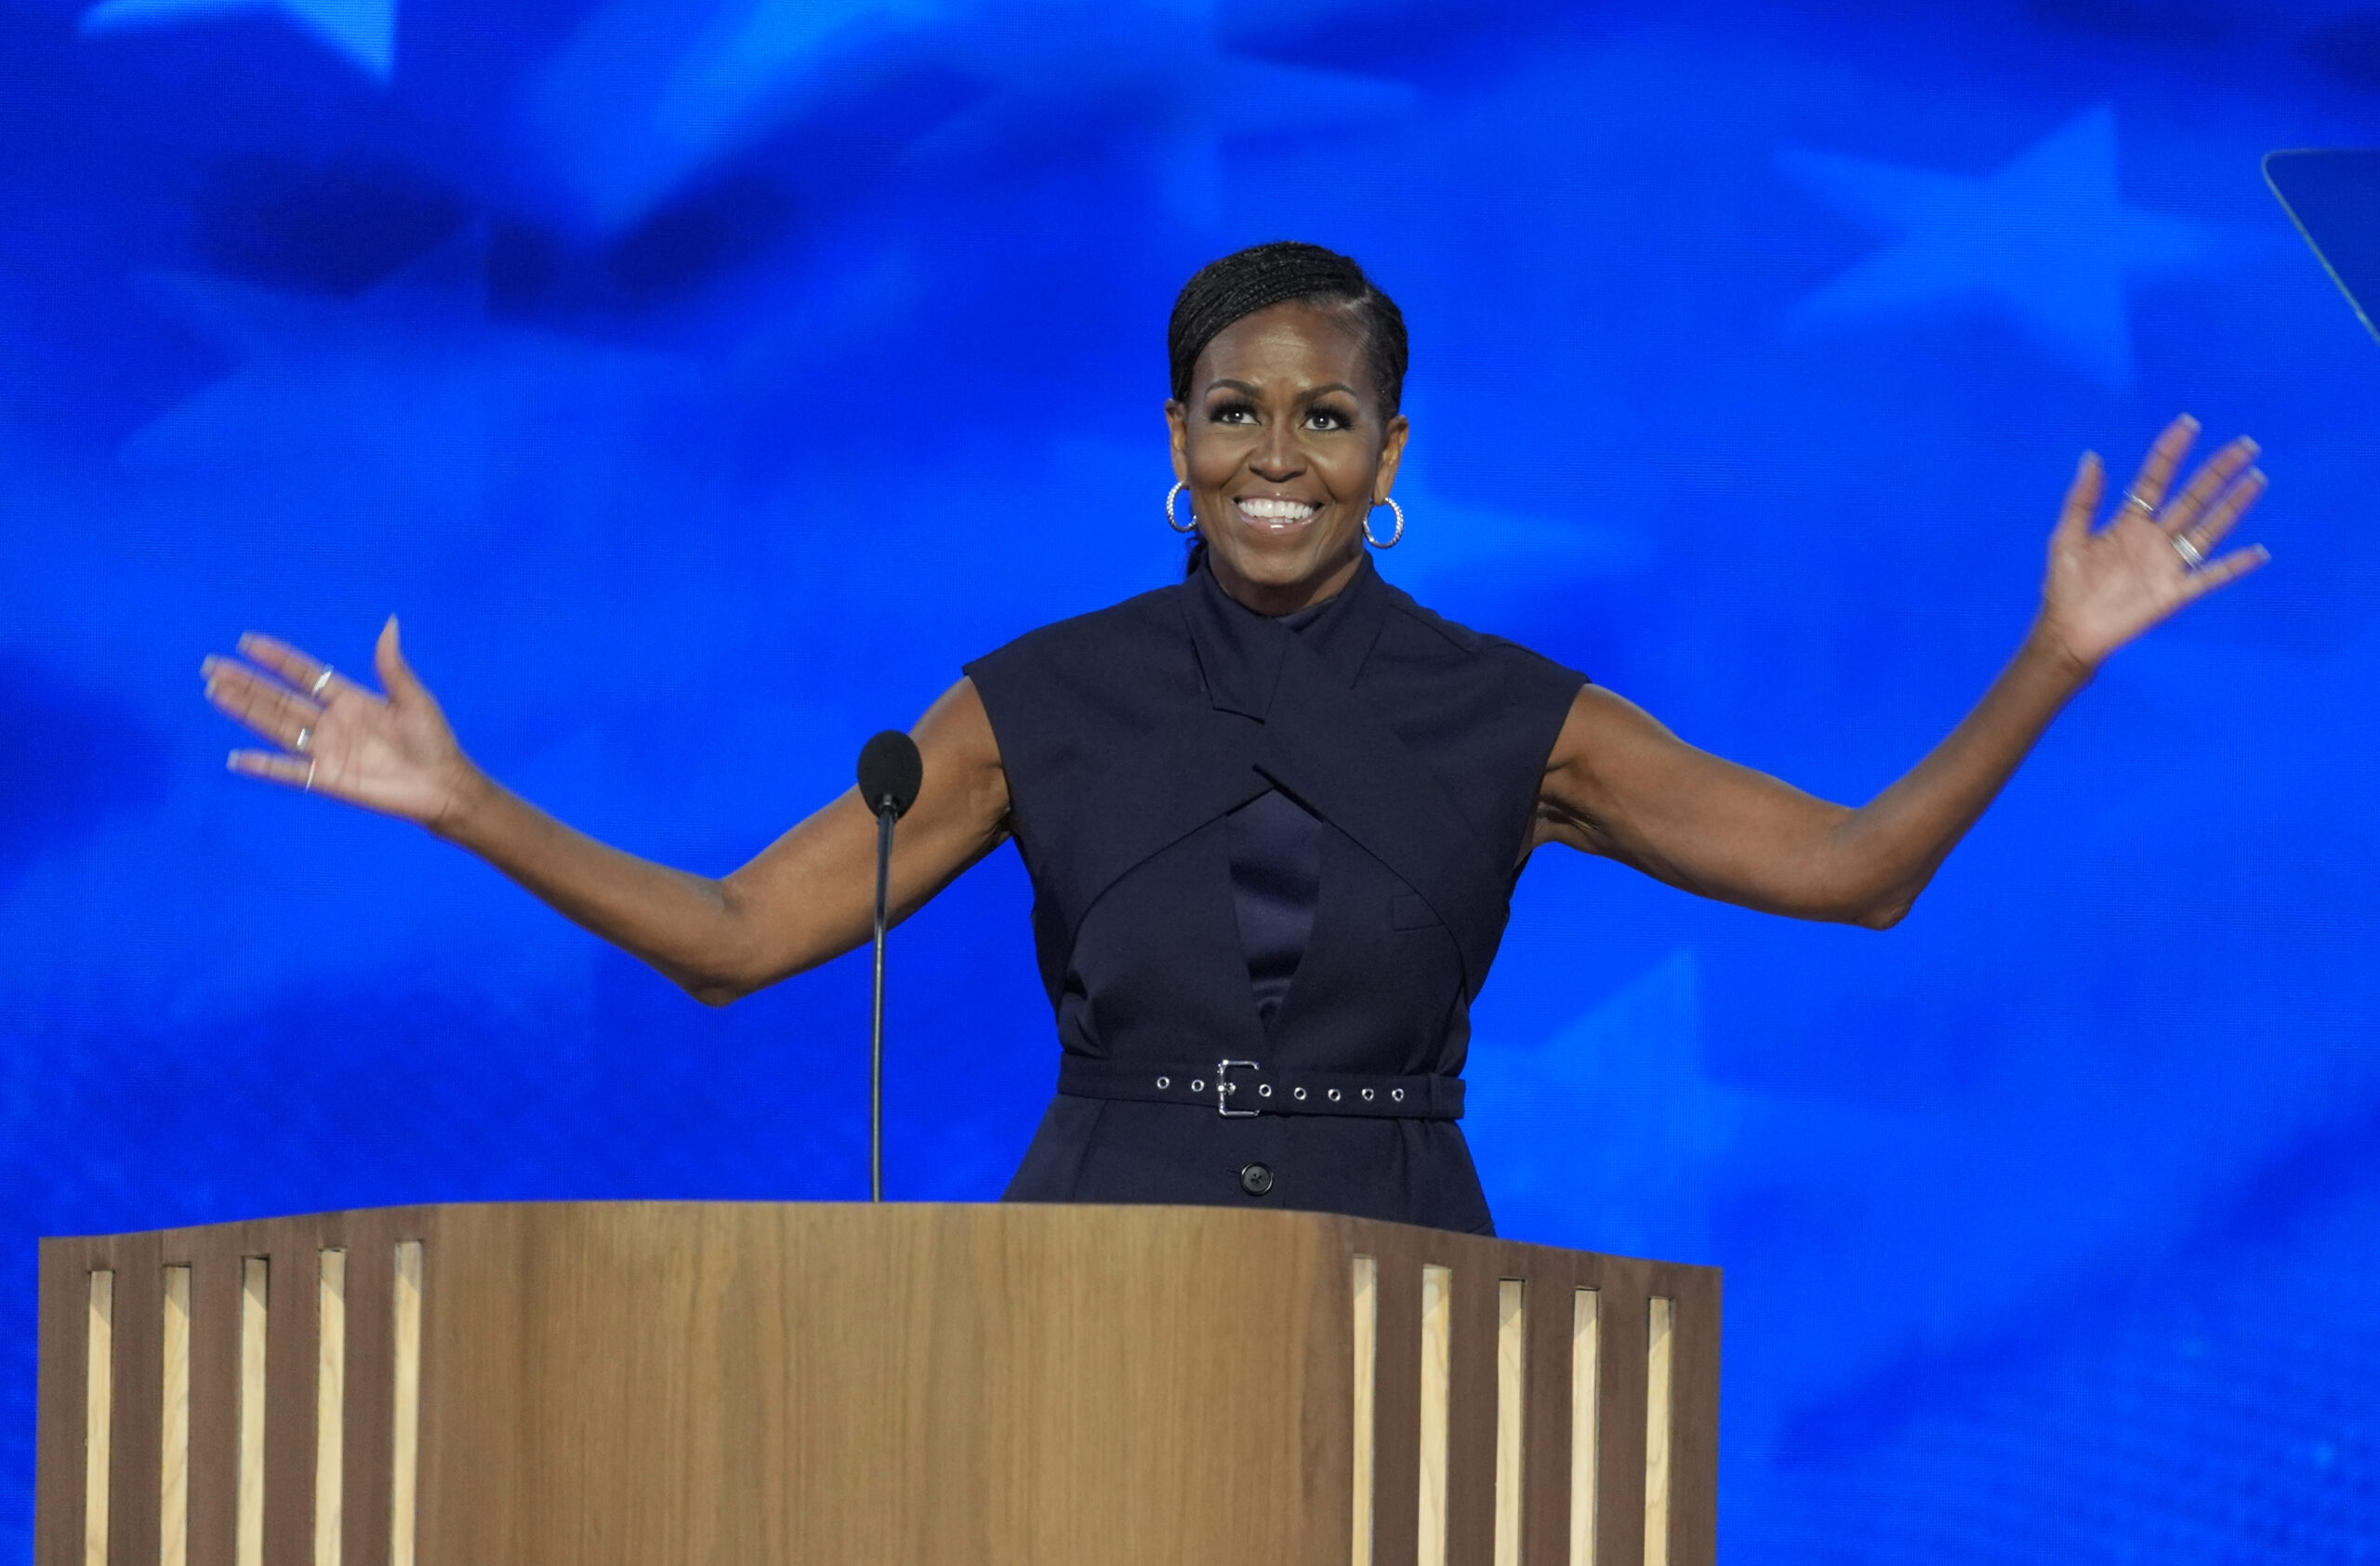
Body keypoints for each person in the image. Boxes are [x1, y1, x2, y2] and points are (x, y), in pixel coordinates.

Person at [201, 243, 2268, 1235]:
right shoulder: (1035, 697)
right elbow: (741, 931)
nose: (1273, 451)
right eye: (1231, 410)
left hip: (1407, 1274)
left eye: (1321, 416)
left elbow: (1853, 872)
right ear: (1173, 444)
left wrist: (2050, 654)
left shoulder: (1512, 713)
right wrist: (467, 801)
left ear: (1387, 459)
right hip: (1090, 1259)